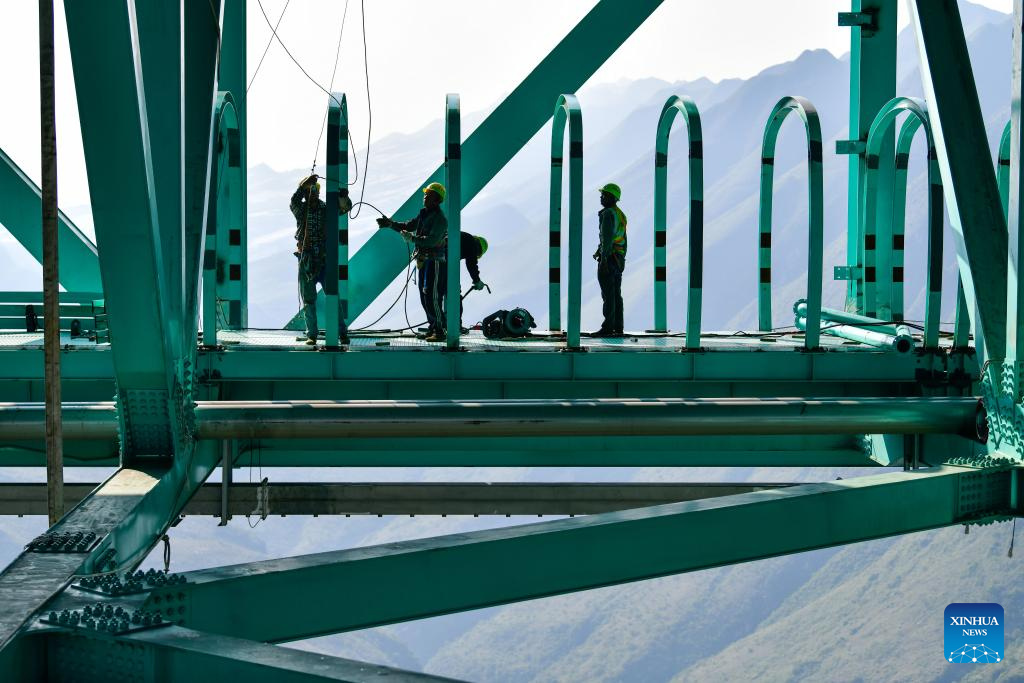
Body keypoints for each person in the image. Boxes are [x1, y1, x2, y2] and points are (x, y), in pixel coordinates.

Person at [376, 182, 449, 342]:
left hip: (434, 261)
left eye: (429, 194)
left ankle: (439, 330)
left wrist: (413, 238)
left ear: (437, 200)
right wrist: (390, 224)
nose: (425, 197)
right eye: (425, 194)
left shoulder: (440, 219)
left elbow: (432, 240)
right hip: (424, 260)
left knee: (432, 297)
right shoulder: (424, 214)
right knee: (425, 296)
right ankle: (432, 328)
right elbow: (409, 226)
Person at [291, 174, 353, 345]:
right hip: (307, 261)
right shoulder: (302, 210)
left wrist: (342, 197)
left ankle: (341, 332)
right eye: (310, 191)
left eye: (314, 190)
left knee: (332, 296)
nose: (313, 194)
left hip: (323, 260)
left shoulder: (325, 209)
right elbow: (294, 201)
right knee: (309, 300)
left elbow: (345, 208)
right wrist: (303, 185)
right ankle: (312, 334)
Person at [592, 183, 627, 337]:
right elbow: (623, 239)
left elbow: (607, 238)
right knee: (616, 294)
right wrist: (621, 259)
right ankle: (618, 327)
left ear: (612, 198)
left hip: (609, 258)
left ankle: (607, 328)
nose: (601, 197)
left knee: (608, 294)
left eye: (604, 195)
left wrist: (604, 260)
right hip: (618, 258)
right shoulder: (620, 214)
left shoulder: (607, 214)